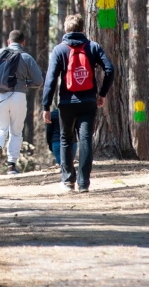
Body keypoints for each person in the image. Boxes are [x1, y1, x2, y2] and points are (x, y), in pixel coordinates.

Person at [42, 14, 114, 193]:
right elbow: (110, 69)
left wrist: (46, 106)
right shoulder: (93, 47)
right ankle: (84, 183)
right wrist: (102, 93)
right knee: (85, 140)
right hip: (89, 101)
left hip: (66, 102)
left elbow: (50, 80)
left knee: (66, 139)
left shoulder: (59, 50)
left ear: (66, 29)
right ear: (83, 29)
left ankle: (68, 181)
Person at [0, 30, 44, 175]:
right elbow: (39, 81)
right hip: (18, 96)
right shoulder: (26, 57)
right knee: (16, 132)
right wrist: (27, 83)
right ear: (23, 42)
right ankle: (11, 166)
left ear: (9, 42)